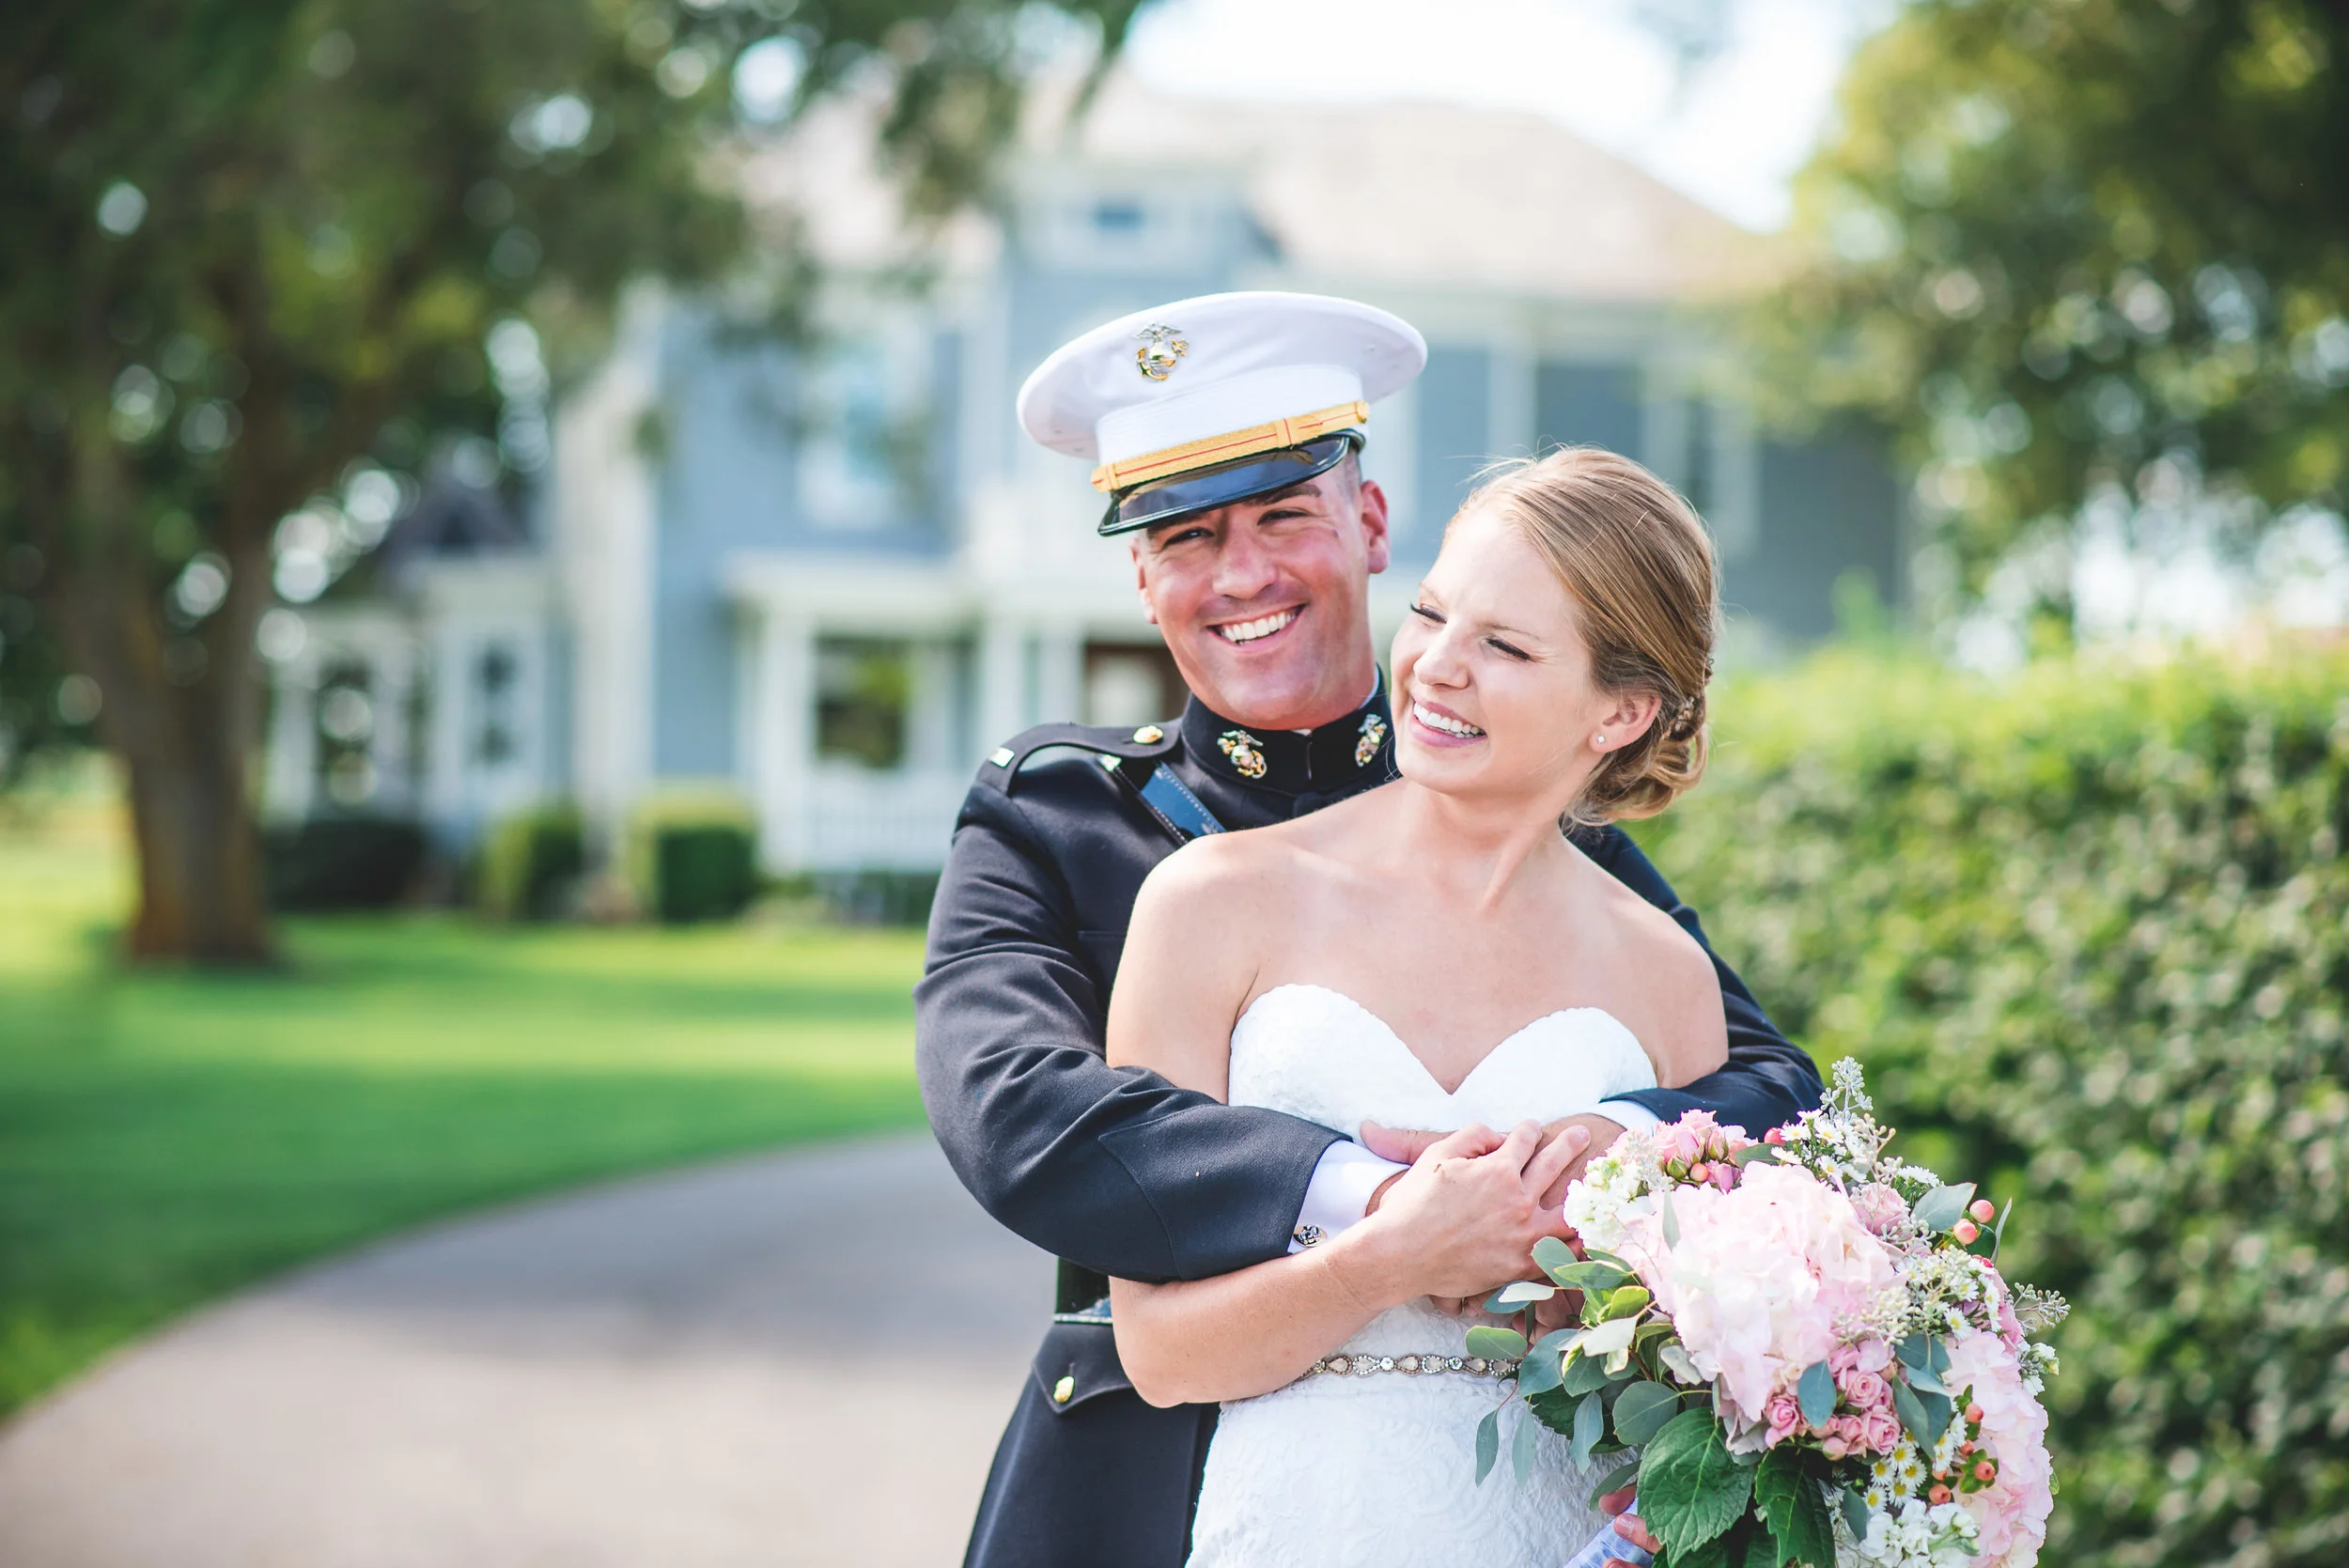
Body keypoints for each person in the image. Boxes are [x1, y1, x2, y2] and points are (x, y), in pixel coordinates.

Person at [914, 291, 1820, 1568]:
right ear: (1140, 573)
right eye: (1184, 536)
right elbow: (1018, 1111)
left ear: (1372, 524)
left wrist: (1600, 1151)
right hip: (1146, 1471)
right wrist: (1393, 1206)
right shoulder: (1059, 813)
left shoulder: (1552, 832)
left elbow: (1769, 1084)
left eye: (1284, 514)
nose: (1240, 574)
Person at [1109, 442, 1723, 1562]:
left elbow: (1702, 1376)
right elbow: (1158, 1352)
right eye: (1433, 613)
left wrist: (1589, 1301)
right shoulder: (1212, 902)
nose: (1437, 666)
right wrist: (1394, 1255)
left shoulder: (1667, 978)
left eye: (1504, 644)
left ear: (1620, 713)